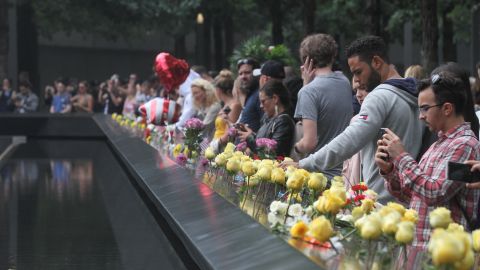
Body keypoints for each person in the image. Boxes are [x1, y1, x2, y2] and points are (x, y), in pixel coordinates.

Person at [282, 36, 424, 204]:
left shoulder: (379, 96)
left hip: (380, 203)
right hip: (406, 201)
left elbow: (350, 139)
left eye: (358, 72)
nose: (357, 80)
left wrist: (305, 163)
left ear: (377, 62)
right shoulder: (416, 96)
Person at [376, 72, 480, 248]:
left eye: (425, 108)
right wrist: (390, 171)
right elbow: (414, 196)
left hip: (445, 254)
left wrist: (401, 157)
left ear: (447, 108)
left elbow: (435, 193)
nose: (420, 116)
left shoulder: (465, 145)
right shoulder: (438, 144)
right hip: (423, 250)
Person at [291, 33, 353, 178]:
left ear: (306, 61)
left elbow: (309, 143)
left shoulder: (308, 92)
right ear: (332, 56)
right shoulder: (344, 81)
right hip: (345, 172)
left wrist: (296, 148)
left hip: (319, 176)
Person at [237, 80, 295, 157]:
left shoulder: (283, 121)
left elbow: (273, 152)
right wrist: (252, 135)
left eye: (263, 101)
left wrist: (250, 138)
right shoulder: (268, 118)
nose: (261, 106)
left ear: (275, 98)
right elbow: (264, 141)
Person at [343, 80, 371, 188]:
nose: (358, 94)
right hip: (355, 186)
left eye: (363, 88)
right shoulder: (355, 120)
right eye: (356, 90)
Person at [211, 70, 242, 147]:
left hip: (224, 145)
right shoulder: (225, 105)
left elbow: (230, 130)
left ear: (218, 90)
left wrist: (216, 144)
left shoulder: (235, 105)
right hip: (217, 142)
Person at [236, 58, 263, 132]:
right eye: (240, 74)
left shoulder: (260, 95)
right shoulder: (250, 94)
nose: (243, 77)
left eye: (247, 72)